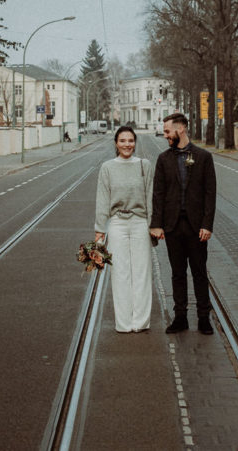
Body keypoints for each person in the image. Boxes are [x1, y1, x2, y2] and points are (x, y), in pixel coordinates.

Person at [150, 112, 216, 335]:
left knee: (199, 272)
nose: (165, 135)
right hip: (172, 227)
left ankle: (204, 318)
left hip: (197, 227)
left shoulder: (204, 157)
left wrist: (207, 225)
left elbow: (210, 194)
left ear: (182, 129)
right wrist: (156, 224)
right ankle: (180, 317)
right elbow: (158, 194)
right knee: (177, 273)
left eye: (168, 131)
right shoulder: (163, 159)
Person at [94, 126, 156, 333]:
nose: (127, 144)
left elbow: (150, 196)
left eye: (130, 140)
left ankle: (141, 321)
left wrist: (152, 225)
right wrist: (99, 229)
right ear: (116, 143)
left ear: (135, 143)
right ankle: (123, 322)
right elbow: (102, 199)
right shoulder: (107, 168)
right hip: (117, 223)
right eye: (122, 141)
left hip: (140, 222)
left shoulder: (144, 165)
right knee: (120, 273)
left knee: (142, 272)